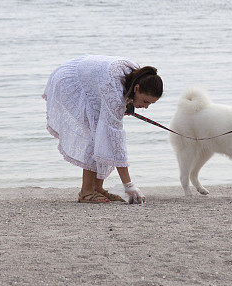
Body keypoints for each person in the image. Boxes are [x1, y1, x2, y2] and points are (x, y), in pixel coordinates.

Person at [42, 55, 163, 204]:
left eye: (150, 104)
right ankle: (86, 191)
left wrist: (129, 104)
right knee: (96, 135)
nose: (145, 107)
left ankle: (97, 188)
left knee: (102, 133)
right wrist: (129, 185)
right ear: (137, 88)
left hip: (92, 78)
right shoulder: (114, 92)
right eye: (145, 101)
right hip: (71, 80)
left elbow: (122, 98)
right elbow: (115, 140)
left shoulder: (139, 77)